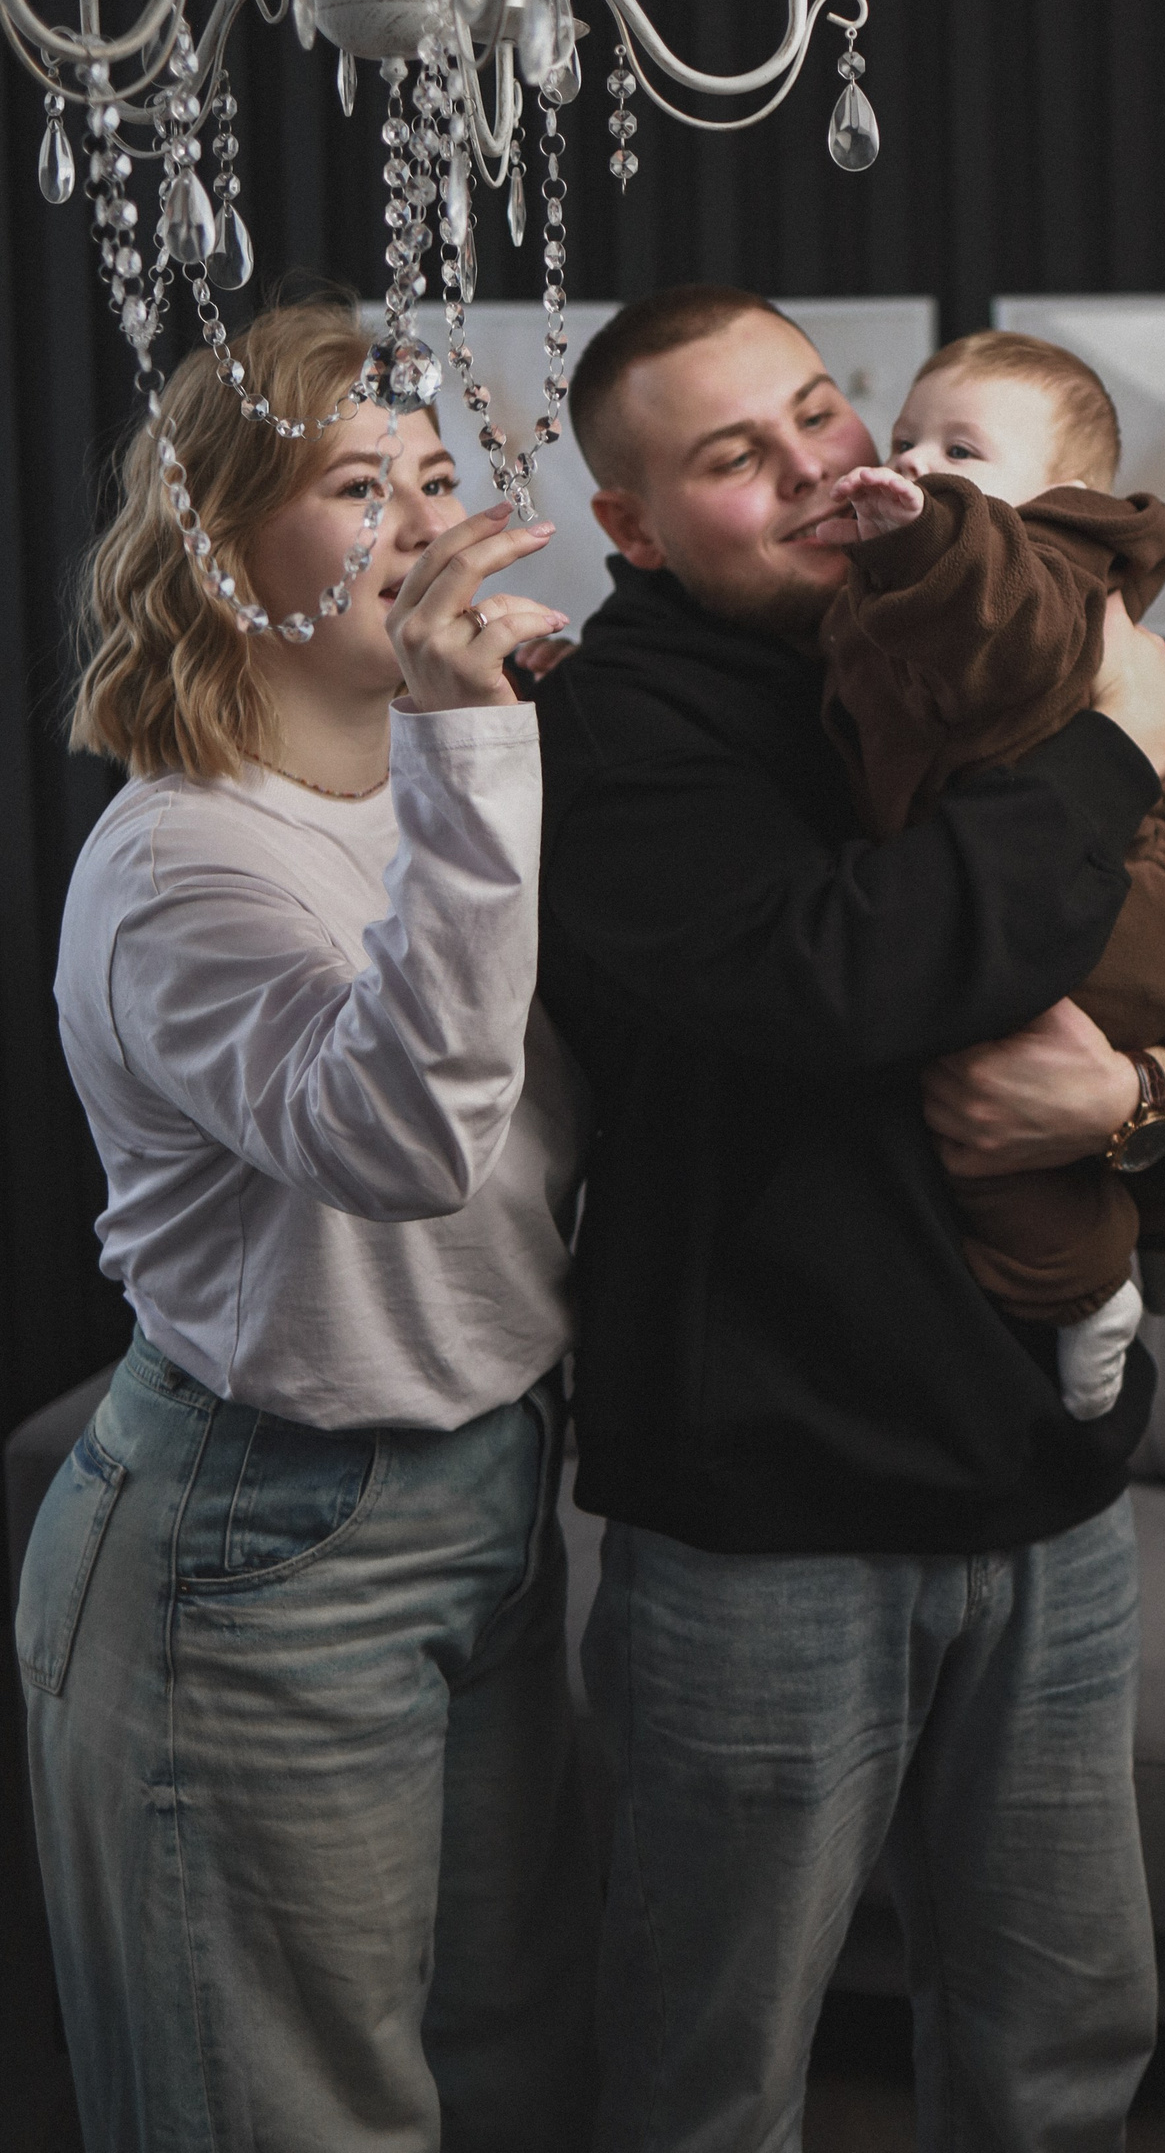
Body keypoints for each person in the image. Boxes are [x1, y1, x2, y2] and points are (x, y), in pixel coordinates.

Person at [537, 284, 1165, 2151]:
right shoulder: (615, 727)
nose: (818, 466)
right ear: (631, 523)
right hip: (768, 1524)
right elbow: (836, 979)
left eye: (822, 408)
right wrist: (1115, 749)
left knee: (1062, 2052)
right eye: (737, 456)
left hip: (1051, 1501)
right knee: (709, 2079)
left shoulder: (971, 629)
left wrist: (1136, 1100)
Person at [18, 299, 597, 2153]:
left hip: (495, 1485)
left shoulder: (453, 789)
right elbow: (408, 1140)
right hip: (260, 1536)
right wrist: (475, 748)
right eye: (359, 485)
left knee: (515, 2068)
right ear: (215, 537)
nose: (426, 523)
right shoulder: (182, 861)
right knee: (288, 2116)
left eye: (435, 474)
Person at [814, 328, 1165, 1420]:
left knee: (975, 1091)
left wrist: (931, 543)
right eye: (906, 439)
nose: (917, 463)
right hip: (1138, 902)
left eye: (963, 450)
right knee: (1085, 1067)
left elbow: (1008, 633)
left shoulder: (1038, 575)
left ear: (1068, 499)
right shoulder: (911, 586)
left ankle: (1081, 1287)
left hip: (1120, 911)